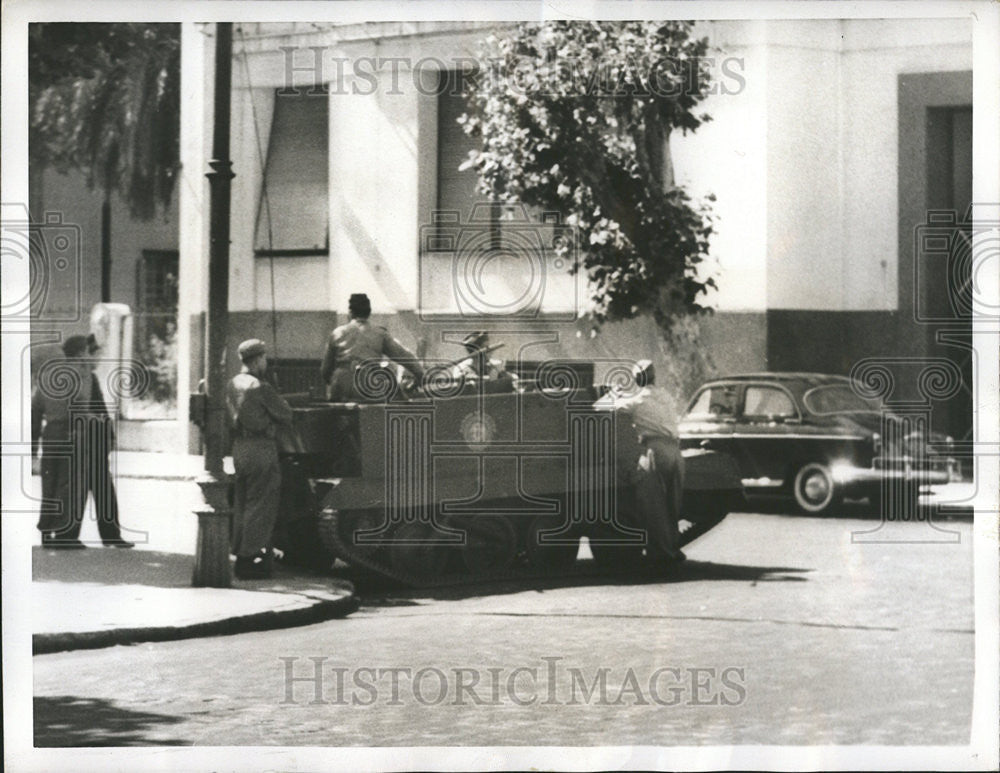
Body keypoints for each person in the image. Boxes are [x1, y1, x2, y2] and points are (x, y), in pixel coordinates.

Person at [32, 334, 134, 549]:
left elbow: (37, 411)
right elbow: (82, 408)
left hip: (70, 437)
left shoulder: (58, 376)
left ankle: (61, 532)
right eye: (92, 353)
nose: (96, 358)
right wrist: (98, 426)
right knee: (70, 487)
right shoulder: (81, 376)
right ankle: (66, 535)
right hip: (80, 436)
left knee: (61, 486)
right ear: (82, 354)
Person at [596, 359, 685, 563]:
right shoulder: (666, 396)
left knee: (654, 505)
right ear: (654, 376)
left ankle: (662, 556)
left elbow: (600, 408)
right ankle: (673, 548)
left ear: (637, 379)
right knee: (672, 505)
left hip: (655, 452)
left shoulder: (637, 399)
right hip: (675, 452)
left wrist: (613, 393)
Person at [226, 339, 293, 579]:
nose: (265, 362)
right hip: (261, 448)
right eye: (264, 358)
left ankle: (240, 552)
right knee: (261, 505)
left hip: (240, 448)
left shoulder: (233, 383)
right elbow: (285, 414)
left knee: (243, 503)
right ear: (257, 359)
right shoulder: (259, 386)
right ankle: (247, 559)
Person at [320, 293, 425, 401]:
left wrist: (337, 382)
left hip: (340, 386)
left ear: (350, 313)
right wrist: (420, 375)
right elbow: (404, 356)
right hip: (367, 385)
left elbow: (325, 371)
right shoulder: (379, 334)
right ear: (368, 313)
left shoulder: (337, 333)